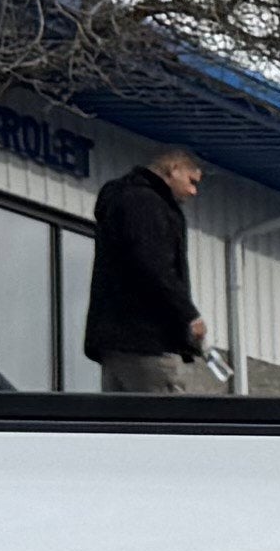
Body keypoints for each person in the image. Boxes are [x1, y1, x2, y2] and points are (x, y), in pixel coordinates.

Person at [86, 145, 216, 394]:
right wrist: (188, 314)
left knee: (123, 426)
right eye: (191, 181)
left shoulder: (118, 201)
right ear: (173, 169)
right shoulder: (147, 203)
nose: (193, 191)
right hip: (149, 340)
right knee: (166, 424)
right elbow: (153, 265)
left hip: (113, 343)